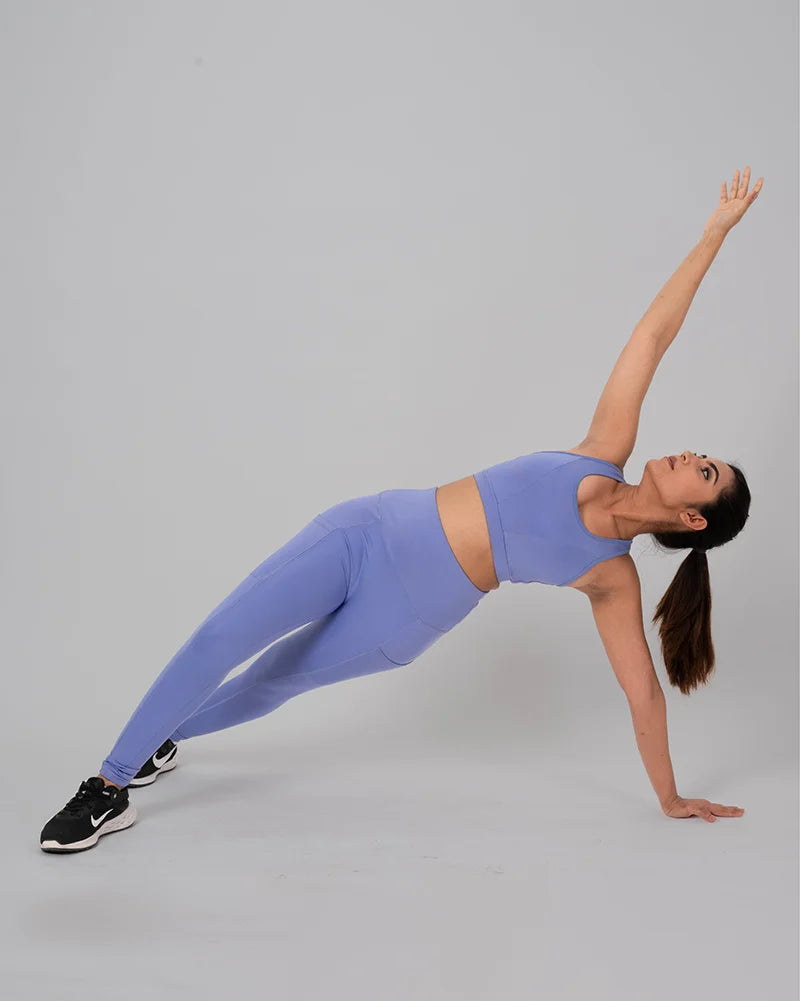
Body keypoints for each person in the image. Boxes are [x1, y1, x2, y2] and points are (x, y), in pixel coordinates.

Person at [40, 166, 762, 853]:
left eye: (704, 471)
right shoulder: (605, 447)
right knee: (220, 638)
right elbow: (652, 337)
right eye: (701, 454)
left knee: (268, 684)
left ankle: (165, 740)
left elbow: (643, 697)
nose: (688, 455)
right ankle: (110, 784)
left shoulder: (612, 577)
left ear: (694, 518)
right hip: (365, 530)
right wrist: (714, 235)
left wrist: (669, 797)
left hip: (404, 615)